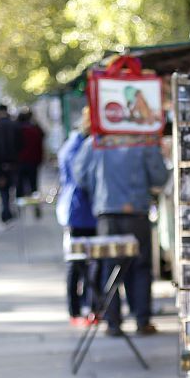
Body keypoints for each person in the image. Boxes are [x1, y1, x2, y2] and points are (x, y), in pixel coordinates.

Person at [71, 133, 169, 336]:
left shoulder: (96, 141)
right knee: (140, 267)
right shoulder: (142, 140)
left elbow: (79, 175)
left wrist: (99, 187)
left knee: (110, 267)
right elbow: (160, 176)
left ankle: (113, 322)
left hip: (107, 211)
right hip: (136, 211)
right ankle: (142, 320)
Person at [57, 109, 97, 324]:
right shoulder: (78, 146)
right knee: (78, 262)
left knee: (84, 261)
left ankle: (86, 306)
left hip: (81, 210)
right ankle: (76, 309)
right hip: (80, 211)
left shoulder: (75, 144)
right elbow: (80, 178)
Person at [0, 103, 19, 224]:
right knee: (11, 188)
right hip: (13, 164)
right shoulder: (14, 126)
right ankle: (8, 210)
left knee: (3, 190)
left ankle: (6, 210)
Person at [15, 109, 45, 217]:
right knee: (34, 186)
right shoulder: (35, 129)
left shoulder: (17, 130)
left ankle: (20, 207)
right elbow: (42, 137)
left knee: (19, 186)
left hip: (20, 163)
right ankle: (36, 206)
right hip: (33, 162)